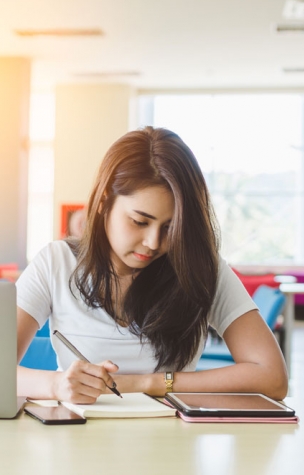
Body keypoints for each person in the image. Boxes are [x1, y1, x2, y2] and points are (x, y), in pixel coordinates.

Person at [16, 127, 288, 403]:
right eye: (139, 221)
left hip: (170, 439)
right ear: (104, 202)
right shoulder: (56, 262)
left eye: (171, 228)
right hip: (75, 434)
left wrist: (149, 382)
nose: (153, 243)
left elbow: (273, 378)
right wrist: (56, 384)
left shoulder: (201, 269)